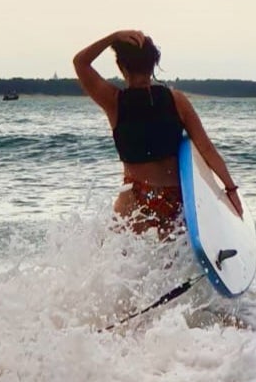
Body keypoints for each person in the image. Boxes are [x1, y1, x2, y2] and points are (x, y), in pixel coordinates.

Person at [73, 29, 243, 235]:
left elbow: (80, 62)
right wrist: (231, 189)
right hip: (174, 201)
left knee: (117, 260)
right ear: (153, 64)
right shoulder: (176, 100)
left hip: (134, 197)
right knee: (171, 265)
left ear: (121, 66)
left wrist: (113, 37)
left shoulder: (114, 102)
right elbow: (206, 149)